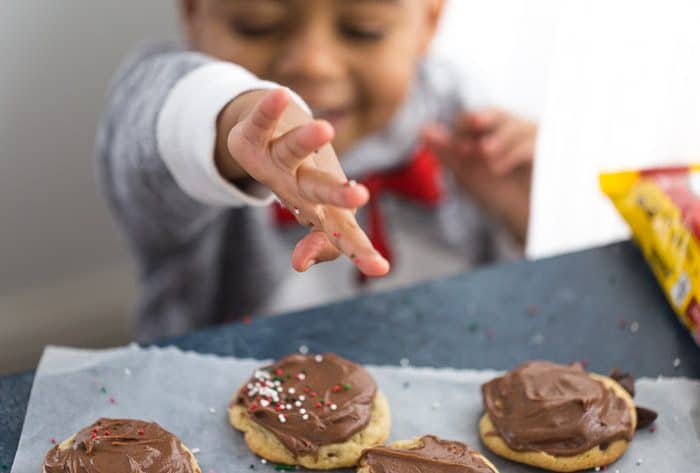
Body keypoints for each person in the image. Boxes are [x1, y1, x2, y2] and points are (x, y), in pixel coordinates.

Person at [98, 0, 537, 340]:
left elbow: (511, 299)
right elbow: (146, 133)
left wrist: (527, 217)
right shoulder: (173, 104)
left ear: (429, 21)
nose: (312, 63)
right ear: (193, 11)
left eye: (364, 29)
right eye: (258, 24)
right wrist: (236, 118)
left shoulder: (459, 113)